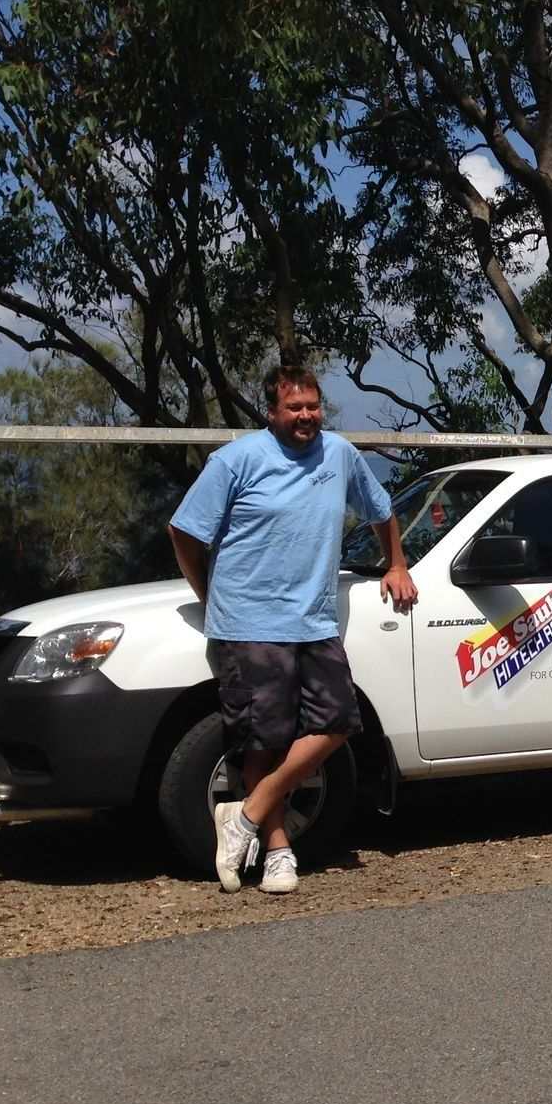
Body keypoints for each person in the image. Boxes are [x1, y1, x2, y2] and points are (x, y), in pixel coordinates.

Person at [168, 364, 418, 894]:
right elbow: (184, 532)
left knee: (340, 720)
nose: (306, 417)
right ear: (272, 411)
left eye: (312, 406)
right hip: (249, 621)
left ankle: (246, 813)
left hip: (313, 618)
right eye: (294, 408)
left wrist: (396, 563)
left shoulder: (340, 454)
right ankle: (279, 853)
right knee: (264, 740)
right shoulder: (237, 459)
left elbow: (381, 509)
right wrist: (210, 597)